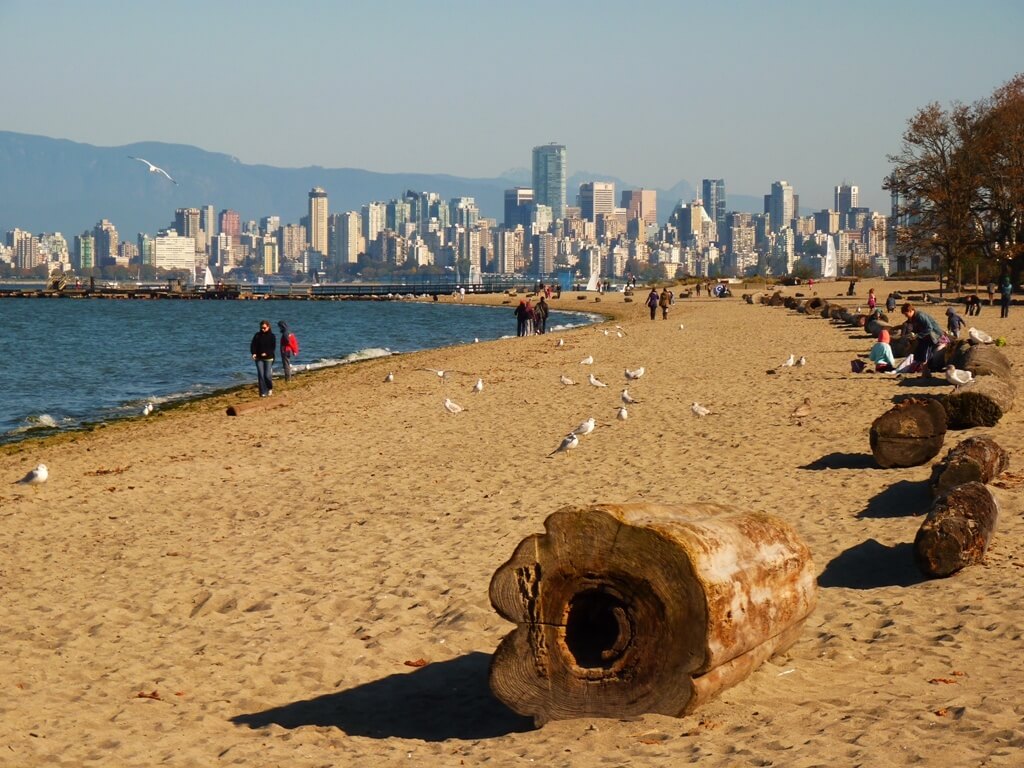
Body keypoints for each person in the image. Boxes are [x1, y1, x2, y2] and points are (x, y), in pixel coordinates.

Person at [900, 302, 943, 374]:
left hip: (933, 335)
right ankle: (925, 372)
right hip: (925, 336)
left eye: (906, 314)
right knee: (919, 353)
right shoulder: (913, 318)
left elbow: (929, 328)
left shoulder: (920, 316)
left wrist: (917, 335)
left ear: (911, 311)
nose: (906, 316)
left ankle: (925, 372)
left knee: (924, 352)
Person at [250, 320, 276, 397]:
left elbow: (272, 347)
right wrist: (253, 353)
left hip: (269, 358)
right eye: (261, 328)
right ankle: (263, 392)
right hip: (258, 358)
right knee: (261, 375)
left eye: (264, 328)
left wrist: (266, 353)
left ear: (268, 327)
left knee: (267, 375)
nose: (262, 329)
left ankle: (269, 388)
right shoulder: (257, 335)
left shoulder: (272, 336)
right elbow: (253, 345)